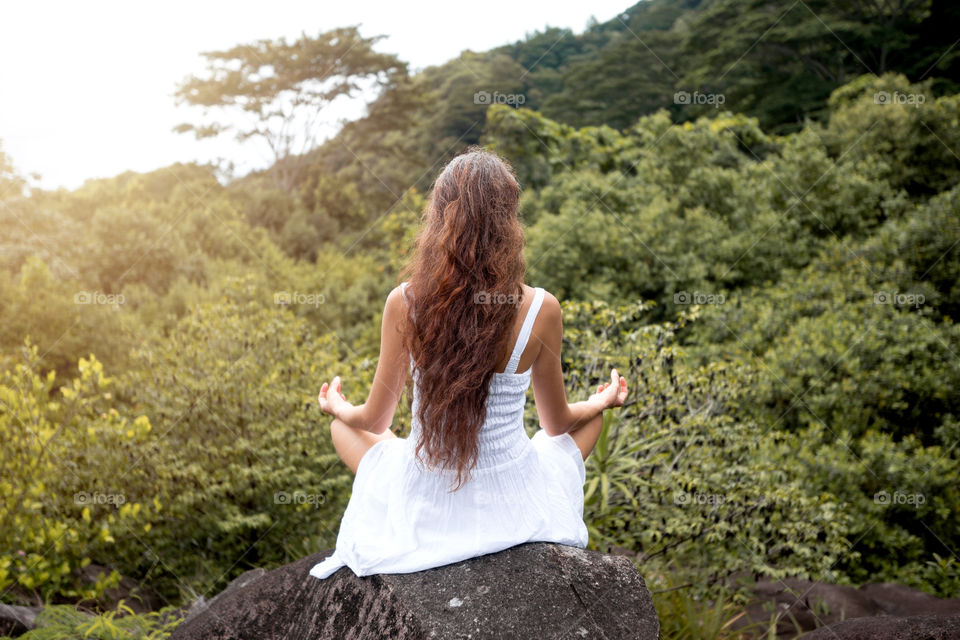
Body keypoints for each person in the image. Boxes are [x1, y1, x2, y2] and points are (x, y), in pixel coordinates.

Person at [309, 146, 628, 580]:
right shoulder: (541, 308)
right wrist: (601, 401)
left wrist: (336, 407)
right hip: (515, 493)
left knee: (342, 428)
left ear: (439, 218)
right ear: (508, 221)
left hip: (426, 493)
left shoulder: (405, 302)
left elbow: (372, 418)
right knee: (588, 423)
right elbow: (556, 425)